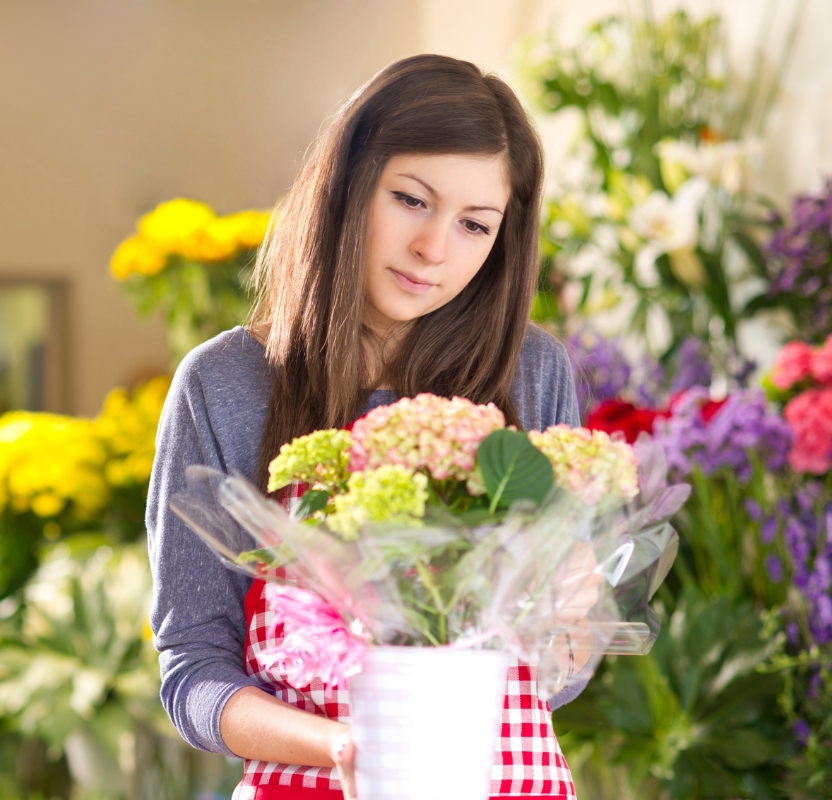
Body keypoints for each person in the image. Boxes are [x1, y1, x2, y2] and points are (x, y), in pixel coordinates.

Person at [147, 55, 589, 800]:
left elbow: (555, 679)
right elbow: (194, 671)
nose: (435, 250)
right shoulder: (223, 386)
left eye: (475, 225)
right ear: (348, 183)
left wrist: (574, 618)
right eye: (412, 200)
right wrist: (350, 745)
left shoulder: (531, 373)